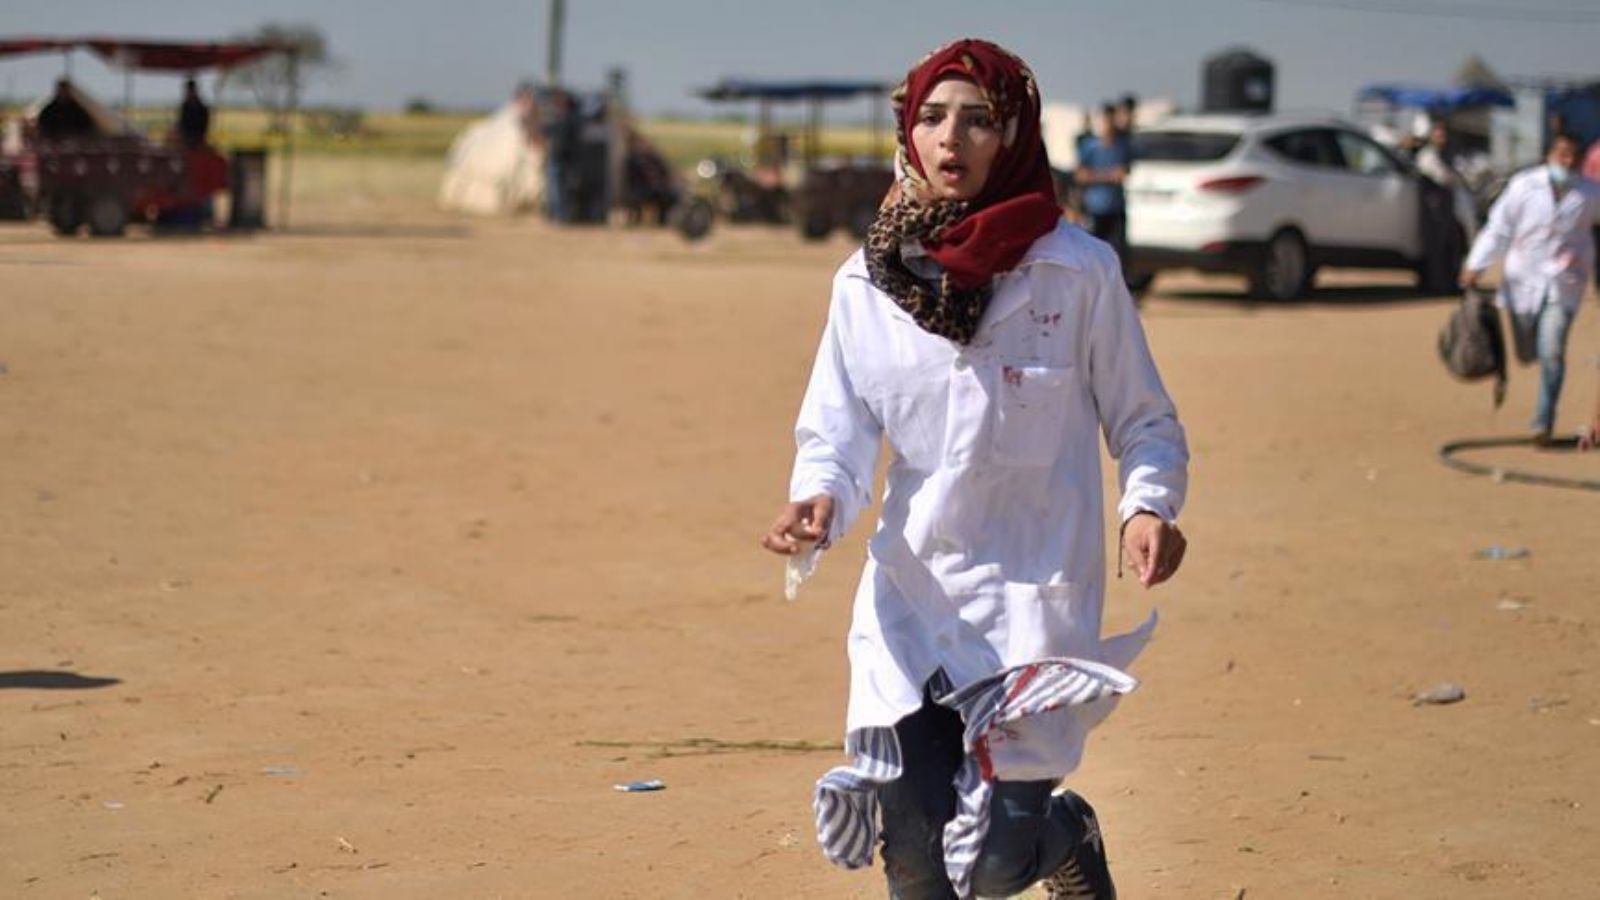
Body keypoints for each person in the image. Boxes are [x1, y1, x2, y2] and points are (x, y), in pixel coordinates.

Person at [760, 39, 1189, 900]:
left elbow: (1145, 420)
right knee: (917, 865)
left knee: (992, 865)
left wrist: (1147, 505)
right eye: (931, 117)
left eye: (978, 120)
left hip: (1032, 603)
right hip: (914, 600)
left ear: (1015, 136)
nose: (950, 138)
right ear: (907, 134)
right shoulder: (866, 283)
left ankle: (1067, 834)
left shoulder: (1077, 272)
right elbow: (837, 433)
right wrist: (819, 498)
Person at [1462, 132, 1600, 442]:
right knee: (1529, 351)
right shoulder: (1524, 186)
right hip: (1523, 281)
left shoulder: (1590, 193)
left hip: (1564, 283)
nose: (1567, 162)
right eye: (1562, 155)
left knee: (1552, 351)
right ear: (1550, 154)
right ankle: (1537, 365)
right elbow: (1499, 229)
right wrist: (1475, 264)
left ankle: (1542, 423)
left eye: (1574, 157)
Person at [1076, 104, 1133, 278]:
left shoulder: (1123, 145)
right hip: (1095, 208)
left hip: (1116, 208)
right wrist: (1108, 176)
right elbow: (1081, 175)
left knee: (1118, 256)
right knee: (1092, 255)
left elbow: (1125, 172)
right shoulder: (1089, 146)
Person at [36, 79, 95, 143]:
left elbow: (86, 126)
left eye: (65, 90)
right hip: (54, 141)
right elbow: (43, 125)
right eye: (61, 90)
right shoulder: (49, 110)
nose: (63, 93)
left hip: (75, 141)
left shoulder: (78, 110)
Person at [176, 77, 210, 148]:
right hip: (187, 139)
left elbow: (204, 124)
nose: (188, 93)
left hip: (197, 139)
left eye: (190, 91)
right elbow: (182, 122)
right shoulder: (185, 106)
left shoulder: (200, 107)